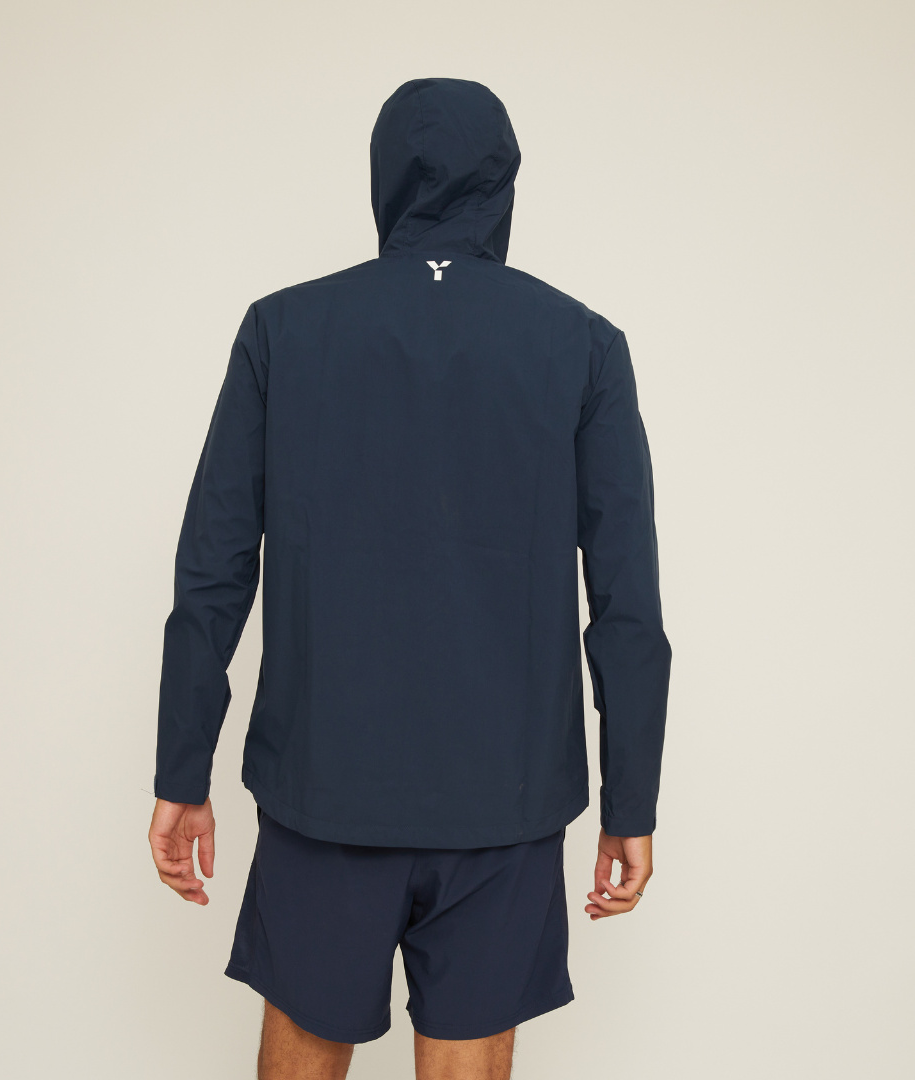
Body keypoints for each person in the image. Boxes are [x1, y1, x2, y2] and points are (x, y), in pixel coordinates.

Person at [148, 77, 671, 1080]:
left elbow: (212, 569)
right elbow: (626, 604)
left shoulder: (284, 329)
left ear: (383, 179)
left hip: (324, 790)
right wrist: (630, 802)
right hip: (504, 800)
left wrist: (182, 772)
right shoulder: (581, 345)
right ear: (503, 184)